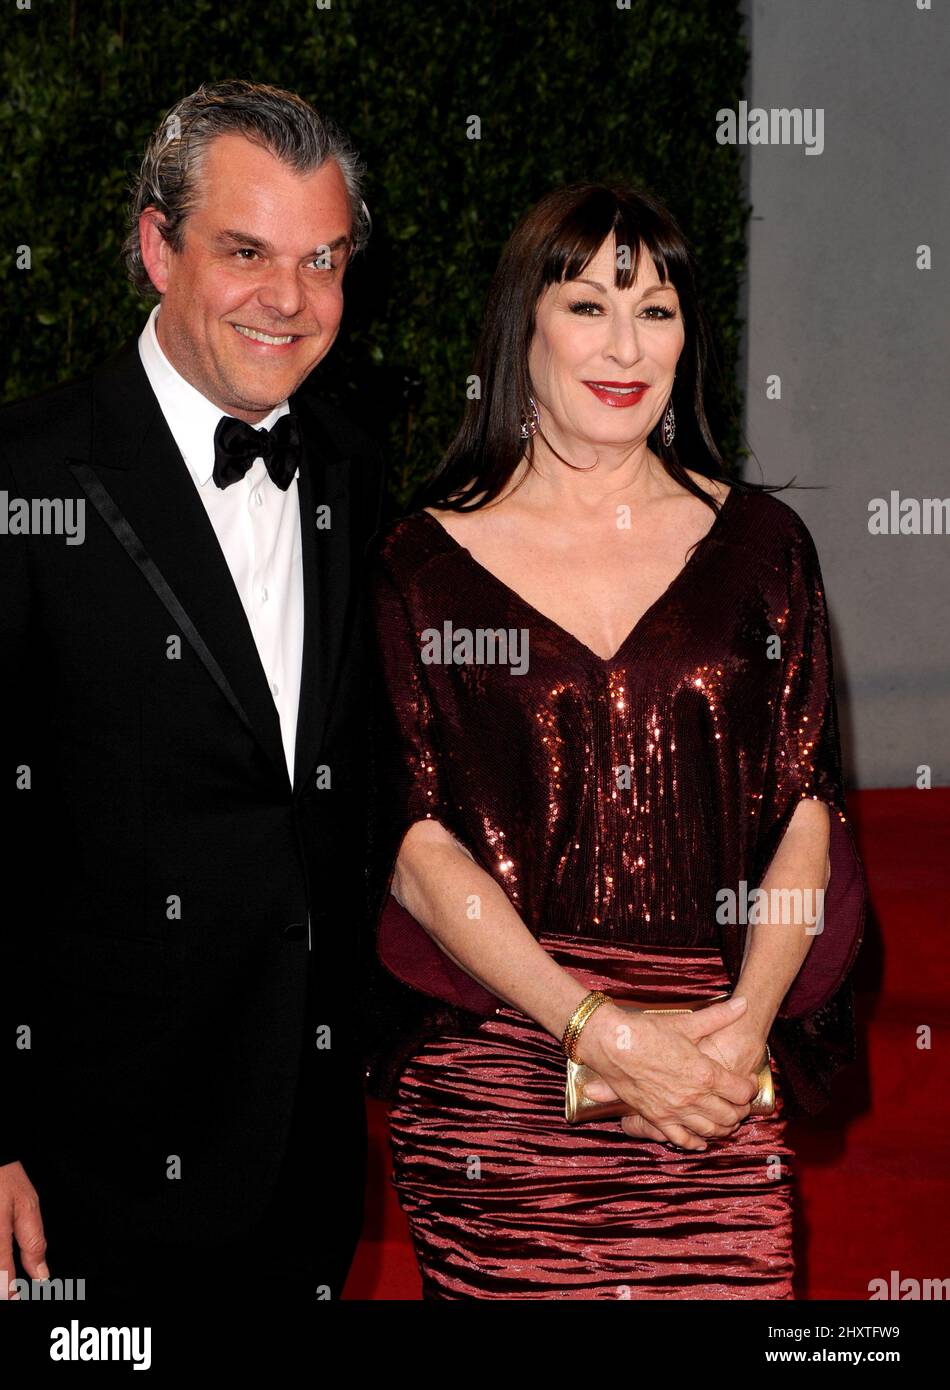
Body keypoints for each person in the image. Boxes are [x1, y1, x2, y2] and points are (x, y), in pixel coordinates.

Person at [362, 182, 867, 1300]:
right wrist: (591, 1025)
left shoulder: (762, 545)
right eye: (587, 306)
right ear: (519, 327)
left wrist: (739, 1035)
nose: (625, 347)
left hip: (713, 1065)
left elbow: (804, 806)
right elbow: (412, 841)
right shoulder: (415, 560)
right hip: (505, 1066)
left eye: (657, 310)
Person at [0, 80, 385, 1306]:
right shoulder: (24, 475)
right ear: (156, 247)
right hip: (80, 1164)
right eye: (246, 252)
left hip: (303, 1147)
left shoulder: (354, 471)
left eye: (321, 259)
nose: (290, 301)